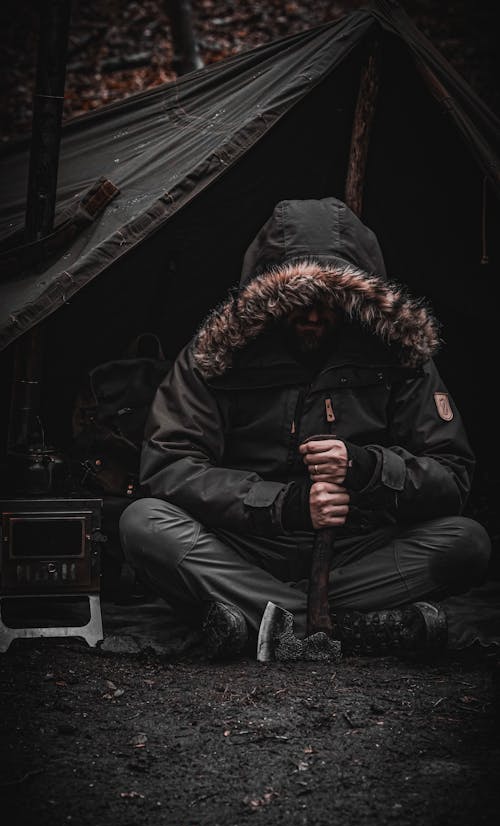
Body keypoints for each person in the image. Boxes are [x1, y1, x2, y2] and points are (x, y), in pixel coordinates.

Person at [119, 197, 491, 659]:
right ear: (267, 297)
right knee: (143, 524)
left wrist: (367, 469)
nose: (313, 314)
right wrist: (286, 504)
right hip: (243, 548)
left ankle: (263, 619)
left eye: (329, 301)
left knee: (466, 542)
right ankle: (334, 627)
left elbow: (451, 476)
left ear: (354, 299)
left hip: (357, 551)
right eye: (296, 300)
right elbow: (168, 467)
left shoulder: (398, 356)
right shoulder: (217, 356)